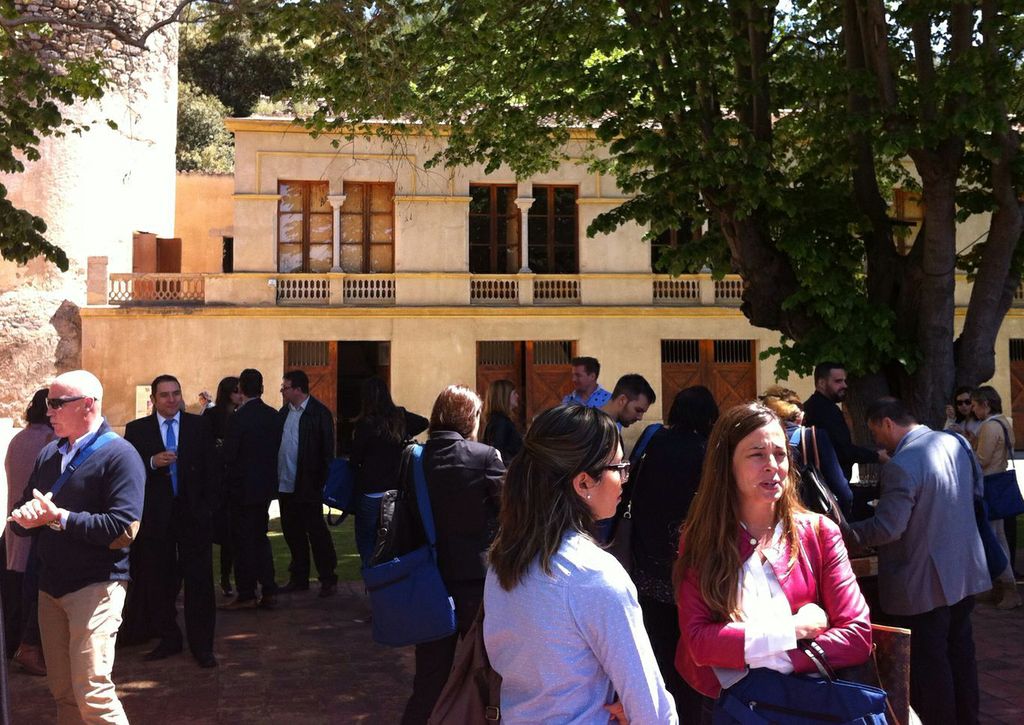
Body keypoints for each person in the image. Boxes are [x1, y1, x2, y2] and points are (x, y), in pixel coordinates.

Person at [674, 402, 872, 715]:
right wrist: (792, 629)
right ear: (726, 464)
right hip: (728, 709)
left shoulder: (819, 533)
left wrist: (754, 661)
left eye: (779, 454)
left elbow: (857, 636)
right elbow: (699, 642)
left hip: (806, 706)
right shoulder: (701, 540)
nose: (772, 465)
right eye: (756, 454)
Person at [485, 405, 677, 723]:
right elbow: (651, 707)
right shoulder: (592, 576)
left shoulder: (503, 559)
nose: (624, 479)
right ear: (584, 482)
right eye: (619, 466)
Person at [8, 370, 145, 724]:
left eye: (56, 403)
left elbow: (123, 529)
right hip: (50, 588)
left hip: (96, 587)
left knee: (93, 692)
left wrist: (59, 519)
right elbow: (26, 512)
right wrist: (24, 518)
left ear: (88, 405)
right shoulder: (49, 454)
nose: (48, 411)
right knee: (64, 694)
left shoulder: (120, 455)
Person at [844, 397, 989, 725]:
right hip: (963, 572)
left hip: (923, 581)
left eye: (875, 432)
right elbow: (976, 493)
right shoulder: (955, 443)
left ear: (887, 423)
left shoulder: (903, 464)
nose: (876, 441)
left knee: (930, 663)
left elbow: (888, 528)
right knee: (961, 653)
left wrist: (845, 534)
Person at [400, 385, 504, 724]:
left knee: (430, 677)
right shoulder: (485, 456)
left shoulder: (413, 458)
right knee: (489, 673)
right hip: (476, 580)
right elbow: (514, 513)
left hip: (427, 577)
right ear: (471, 419)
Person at [628, 385, 717, 723]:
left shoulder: (654, 442)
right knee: (691, 658)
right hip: (690, 573)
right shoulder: (707, 452)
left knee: (658, 654)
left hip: (647, 565)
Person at [123, 375, 218, 668]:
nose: (172, 399)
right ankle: (169, 637)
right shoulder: (137, 430)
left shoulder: (199, 426)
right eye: (165, 395)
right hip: (156, 517)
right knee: (158, 580)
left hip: (193, 517)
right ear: (154, 399)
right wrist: (152, 462)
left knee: (199, 581)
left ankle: (202, 646)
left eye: (176, 393)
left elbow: (213, 471)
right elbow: (128, 471)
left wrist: (207, 511)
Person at [349, 377, 429, 565]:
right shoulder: (400, 417)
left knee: (366, 540)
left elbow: (354, 460)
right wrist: (405, 437)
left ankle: (372, 580)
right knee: (392, 542)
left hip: (370, 491)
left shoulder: (365, 424)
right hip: (394, 490)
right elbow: (423, 422)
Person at [3, 388, 55, 675]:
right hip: (36, 530)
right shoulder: (50, 442)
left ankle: (14, 647)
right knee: (34, 595)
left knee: (14, 593)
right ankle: (29, 648)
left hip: (14, 530)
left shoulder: (19, 439)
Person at [220, 368, 282, 610]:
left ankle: (246, 592)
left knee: (242, 542)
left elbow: (229, 455)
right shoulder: (273, 415)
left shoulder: (238, 418)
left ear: (241, 389)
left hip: (240, 488)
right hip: (264, 486)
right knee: (259, 539)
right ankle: (268, 589)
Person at [277, 370, 338, 597]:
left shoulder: (319, 413)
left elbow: (326, 453)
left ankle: (328, 578)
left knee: (316, 532)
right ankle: (299, 576)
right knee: (292, 532)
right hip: (286, 483)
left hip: (308, 484)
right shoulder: (283, 413)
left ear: (298, 389)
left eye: (285, 387)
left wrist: (321, 482)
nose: (282, 391)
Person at [760, 385, 853, 518]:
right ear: (799, 416)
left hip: (772, 516)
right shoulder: (814, 437)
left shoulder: (758, 441)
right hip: (810, 517)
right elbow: (842, 490)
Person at [969, 385, 1020, 609]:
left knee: (994, 538)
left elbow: (982, 459)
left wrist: (966, 451)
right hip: (997, 481)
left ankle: (1008, 586)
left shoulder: (990, 426)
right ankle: (998, 584)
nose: (972, 410)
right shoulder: (1004, 422)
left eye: (975, 405)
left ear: (985, 404)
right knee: (997, 536)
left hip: (990, 484)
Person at [802, 362, 888, 481]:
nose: (844, 385)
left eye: (844, 381)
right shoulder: (826, 411)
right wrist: (877, 456)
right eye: (838, 381)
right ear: (821, 383)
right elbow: (843, 451)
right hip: (831, 482)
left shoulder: (811, 406)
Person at [207, 376, 241, 596]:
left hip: (233, 484)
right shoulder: (211, 416)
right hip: (216, 483)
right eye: (237, 391)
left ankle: (227, 578)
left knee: (231, 536)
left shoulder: (241, 416)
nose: (241, 394)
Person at [481, 379, 523, 463]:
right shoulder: (501, 422)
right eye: (514, 393)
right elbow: (497, 452)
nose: (517, 396)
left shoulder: (496, 420)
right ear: (504, 396)